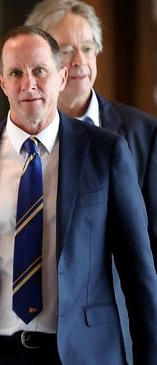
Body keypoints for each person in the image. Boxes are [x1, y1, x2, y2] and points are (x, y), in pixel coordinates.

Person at [0, 26, 157, 365]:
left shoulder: (105, 152)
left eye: (39, 71)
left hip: (82, 353)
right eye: (15, 72)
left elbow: (138, 268)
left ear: (61, 78)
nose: (28, 83)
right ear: (2, 82)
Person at [25, 2, 157, 362]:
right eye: (66, 51)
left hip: (117, 338)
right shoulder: (10, 142)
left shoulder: (141, 134)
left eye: (87, 48)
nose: (80, 61)